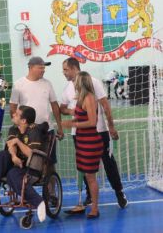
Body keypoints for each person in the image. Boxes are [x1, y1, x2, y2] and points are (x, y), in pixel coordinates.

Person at [60, 57, 128, 210]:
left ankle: (119, 191)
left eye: (65, 69)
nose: (63, 73)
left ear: (73, 68)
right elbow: (62, 107)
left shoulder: (93, 82)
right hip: (78, 134)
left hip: (99, 131)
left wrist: (111, 127)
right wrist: (71, 111)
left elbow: (105, 105)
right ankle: (90, 196)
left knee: (109, 163)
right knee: (84, 167)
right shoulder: (67, 88)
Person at [0, 105, 48, 222]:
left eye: (17, 114)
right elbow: (11, 145)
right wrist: (14, 157)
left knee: (12, 175)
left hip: (30, 166)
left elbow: (31, 153)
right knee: (1, 155)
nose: (13, 114)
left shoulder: (34, 130)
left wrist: (18, 141)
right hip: (15, 162)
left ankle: (39, 202)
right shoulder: (13, 129)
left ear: (24, 120)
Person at [9, 56, 63, 174]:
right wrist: (18, 127)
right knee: (27, 161)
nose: (43, 70)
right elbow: (13, 107)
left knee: (49, 163)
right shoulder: (19, 84)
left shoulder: (47, 84)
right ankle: (26, 189)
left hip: (47, 130)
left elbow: (54, 105)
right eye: (40, 68)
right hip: (27, 132)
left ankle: (51, 192)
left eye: (44, 68)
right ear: (31, 68)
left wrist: (60, 126)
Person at [62, 71, 104, 218]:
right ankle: (89, 205)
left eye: (76, 81)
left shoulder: (90, 98)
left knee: (91, 177)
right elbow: (80, 117)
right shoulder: (81, 98)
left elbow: (92, 122)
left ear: (81, 82)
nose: (73, 83)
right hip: (82, 142)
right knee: (87, 175)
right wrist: (71, 122)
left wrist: (73, 124)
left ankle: (95, 209)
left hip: (90, 142)